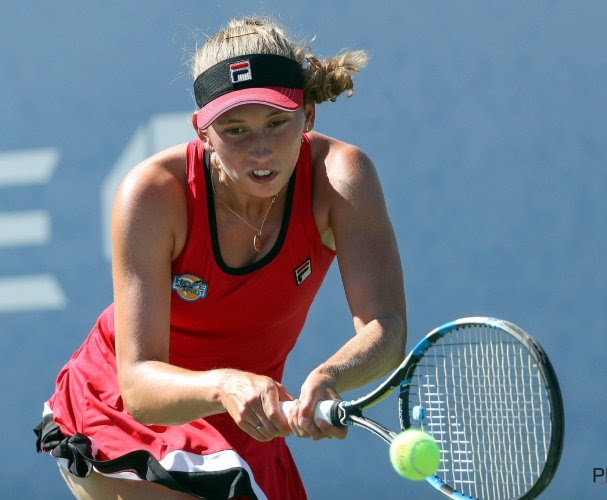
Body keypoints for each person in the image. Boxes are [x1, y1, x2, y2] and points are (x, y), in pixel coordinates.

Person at [35, 15, 406, 500]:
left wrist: (328, 376)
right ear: (201, 132)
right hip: (122, 414)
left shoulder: (341, 178)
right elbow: (140, 389)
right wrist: (223, 386)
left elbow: (387, 325)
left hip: (244, 418)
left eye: (277, 122)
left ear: (308, 115)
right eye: (235, 130)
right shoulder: (151, 195)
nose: (261, 150)